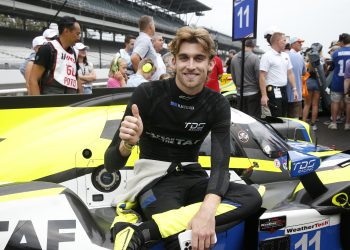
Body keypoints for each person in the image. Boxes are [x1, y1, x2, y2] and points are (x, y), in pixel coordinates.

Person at [105, 26, 262, 250]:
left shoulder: (217, 104)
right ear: (173, 62)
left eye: (198, 58)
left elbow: (220, 166)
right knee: (179, 240)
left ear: (210, 64)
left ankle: (143, 232)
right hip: (154, 181)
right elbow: (111, 164)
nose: (190, 66)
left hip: (193, 177)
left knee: (251, 197)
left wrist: (207, 213)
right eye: (184, 58)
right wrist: (127, 143)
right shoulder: (147, 94)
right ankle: (159, 227)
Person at [28, 16, 82, 95]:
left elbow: (76, 77)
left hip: (71, 102)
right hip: (52, 102)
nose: (79, 38)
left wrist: (81, 97)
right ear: (66, 31)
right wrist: (39, 104)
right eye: (77, 34)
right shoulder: (47, 49)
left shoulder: (74, 53)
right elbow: (33, 80)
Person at [259, 32, 298, 117]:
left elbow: (290, 73)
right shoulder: (267, 56)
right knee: (276, 116)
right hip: (273, 90)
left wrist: (294, 89)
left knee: (284, 115)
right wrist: (264, 96)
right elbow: (262, 76)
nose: (286, 43)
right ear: (277, 41)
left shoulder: (285, 56)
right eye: (284, 40)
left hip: (284, 90)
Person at [230, 39, 261, 118]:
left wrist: (238, 87)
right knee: (254, 120)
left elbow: (233, 76)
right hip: (253, 93)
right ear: (253, 46)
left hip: (239, 93)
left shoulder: (234, 58)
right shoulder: (255, 58)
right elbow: (258, 77)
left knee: (242, 118)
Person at [328, 33, 350, 129]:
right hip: (349, 83)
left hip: (337, 80)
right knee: (348, 103)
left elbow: (331, 66)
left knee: (335, 102)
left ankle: (334, 123)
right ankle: (347, 124)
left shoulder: (336, 53)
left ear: (341, 42)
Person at [287, 37, 306, 118]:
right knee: (295, 118)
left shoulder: (284, 55)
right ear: (293, 44)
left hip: (285, 92)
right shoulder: (300, 57)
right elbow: (304, 72)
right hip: (296, 92)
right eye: (299, 42)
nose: (301, 44)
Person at [342, 59, 350, 130]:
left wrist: (345, 92)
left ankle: (347, 123)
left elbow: (347, 79)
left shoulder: (348, 62)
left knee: (348, 105)